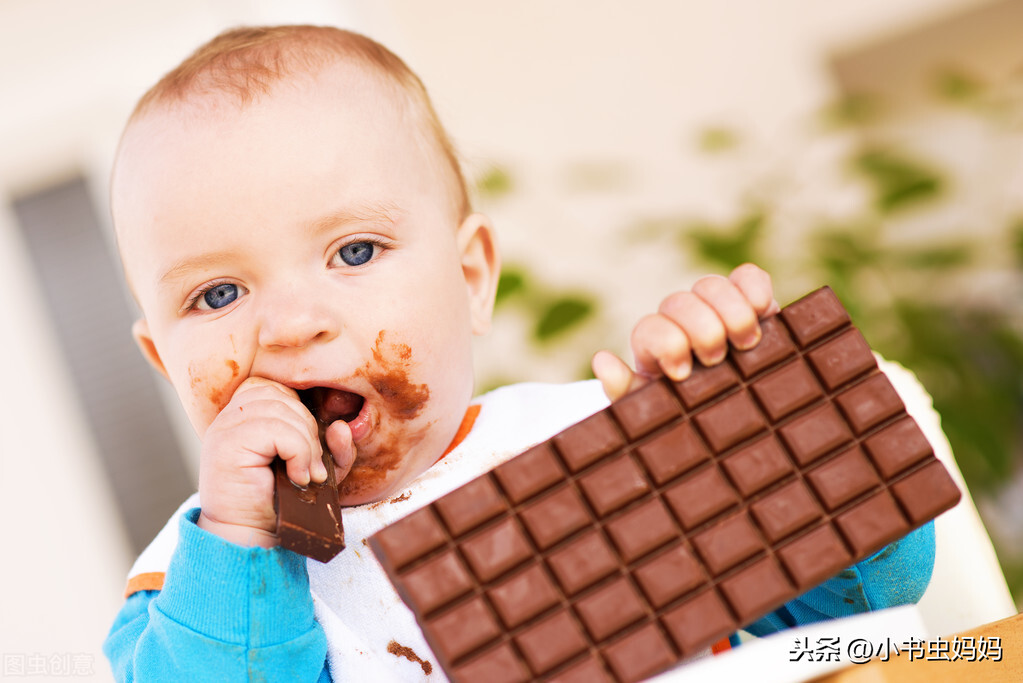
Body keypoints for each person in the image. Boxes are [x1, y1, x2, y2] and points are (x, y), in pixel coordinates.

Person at [103, 25, 935, 681]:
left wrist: (767, 437)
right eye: (217, 295)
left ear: (469, 277)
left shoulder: (607, 443)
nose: (290, 327)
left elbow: (853, 626)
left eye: (354, 251)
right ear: (161, 360)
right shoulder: (190, 587)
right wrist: (240, 542)